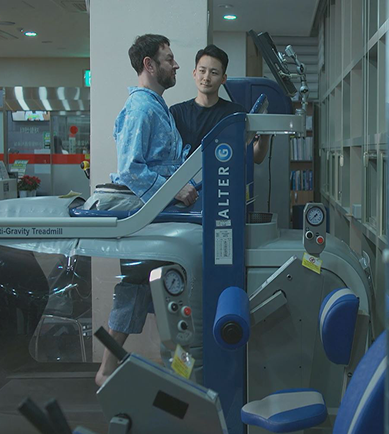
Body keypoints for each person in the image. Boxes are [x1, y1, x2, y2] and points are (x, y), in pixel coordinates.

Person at [94, 34, 197, 387]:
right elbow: (131, 169)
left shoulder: (157, 108)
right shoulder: (140, 108)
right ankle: (107, 370)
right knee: (141, 288)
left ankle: (166, 371)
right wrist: (177, 189)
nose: (176, 65)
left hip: (162, 217)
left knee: (154, 292)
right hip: (145, 218)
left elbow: (173, 161)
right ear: (149, 65)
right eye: (169, 58)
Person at [170, 44, 270, 171]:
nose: (206, 78)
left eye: (214, 72)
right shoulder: (177, 113)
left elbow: (256, 157)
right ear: (194, 73)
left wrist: (265, 139)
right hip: (187, 187)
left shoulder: (235, 114)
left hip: (226, 184)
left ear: (223, 78)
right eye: (202, 71)